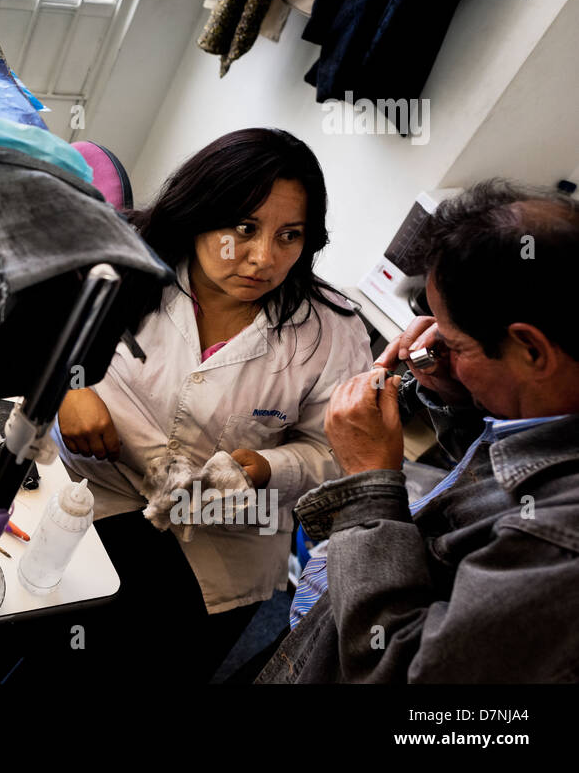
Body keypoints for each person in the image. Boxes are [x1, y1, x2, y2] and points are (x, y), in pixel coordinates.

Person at [40, 127, 372, 682]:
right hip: (90, 493)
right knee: (32, 642)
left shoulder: (332, 331)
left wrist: (271, 466)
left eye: (290, 236)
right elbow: (34, 330)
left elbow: (339, 452)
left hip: (219, 545)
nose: (263, 258)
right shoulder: (118, 257)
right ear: (198, 212)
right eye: (244, 228)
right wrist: (69, 389)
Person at [257, 180, 579, 682]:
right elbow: (490, 484)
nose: (437, 348)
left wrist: (368, 484)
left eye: (455, 342)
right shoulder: (554, 408)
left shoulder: (560, 545)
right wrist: (459, 394)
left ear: (531, 350)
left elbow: (401, 671)